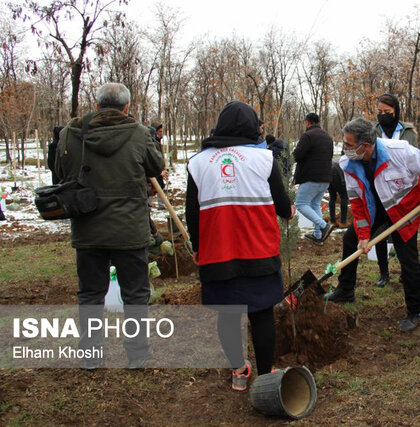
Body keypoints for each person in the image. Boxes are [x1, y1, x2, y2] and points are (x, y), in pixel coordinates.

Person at [185, 101, 295, 390]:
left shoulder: (197, 163)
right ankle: (267, 375)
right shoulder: (264, 159)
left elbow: (192, 212)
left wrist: (198, 246)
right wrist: (288, 211)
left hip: (218, 251)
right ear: (251, 127)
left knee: (228, 312)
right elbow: (281, 201)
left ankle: (238, 371)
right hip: (258, 248)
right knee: (261, 312)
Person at [55, 82, 164, 368]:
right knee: (135, 293)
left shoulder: (70, 133)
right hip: (128, 227)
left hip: (87, 227)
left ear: (96, 105)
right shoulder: (139, 134)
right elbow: (155, 167)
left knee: (90, 293)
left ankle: (91, 355)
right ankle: (138, 354)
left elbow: (59, 173)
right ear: (127, 107)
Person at [326, 118, 420, 332]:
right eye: (344, 144)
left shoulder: (399, 151)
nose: (345, 149)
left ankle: (414, 310)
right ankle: (345, 289)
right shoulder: (347, 163)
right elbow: (357, 203)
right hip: (375, 207)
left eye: (350, 145)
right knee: (350, 239)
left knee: (407, 257)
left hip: (404, 209)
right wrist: (363, 234)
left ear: (366, 145)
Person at [371, 93, 420, 288]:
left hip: (404, 191)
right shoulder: (373, 131)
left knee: (405, 233)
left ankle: (406, 271)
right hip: (380, 190)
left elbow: (415, 158)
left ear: (396, 112)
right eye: (380, 112)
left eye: (388, 112)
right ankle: (384, 273)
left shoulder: (408, 132)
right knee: (380, 233)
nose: (383, 116)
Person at [293, 112, 334, 244]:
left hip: (311, 177)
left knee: (300, 203)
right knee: (315, 204)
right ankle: (318, 236)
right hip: (326, 177)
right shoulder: (327, 137)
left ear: (307, 122)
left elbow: (297, 155)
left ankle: (323, 226)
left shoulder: (308, 135)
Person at [328, 160, 348, 227]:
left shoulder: (338, 161)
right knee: (344, 196)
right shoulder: (345, 161)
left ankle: (332, 220)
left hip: (329, 173)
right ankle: (343, 222)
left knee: (332, 196)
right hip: (337, 174)